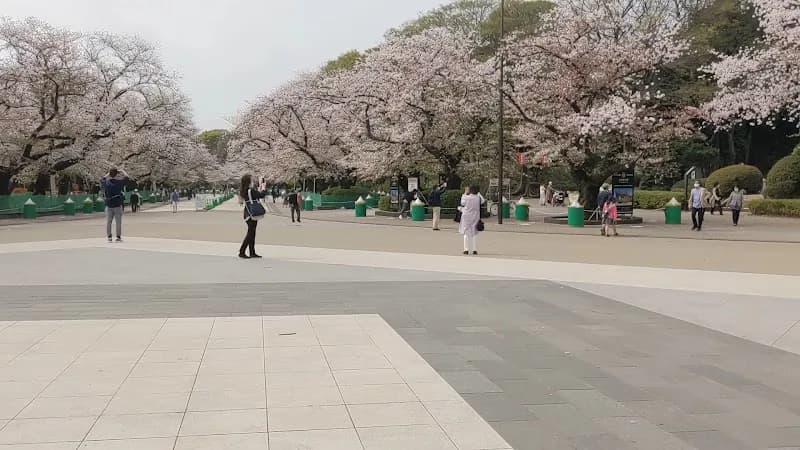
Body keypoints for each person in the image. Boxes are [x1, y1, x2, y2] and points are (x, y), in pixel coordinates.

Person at [238, 174, 267, 259]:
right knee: (251, 233)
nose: (253, 181)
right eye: (251, 180)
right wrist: (263, 187)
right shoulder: (250, 190)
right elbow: (261, 195)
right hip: (252, 213)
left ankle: (252, 252)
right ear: (248, 181)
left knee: (252, 233)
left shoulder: (244, 190)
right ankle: (242, 251)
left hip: (248, 213)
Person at [101, 168, 129, 242]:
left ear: (110, 174)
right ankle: (118, 237)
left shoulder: (107, 183)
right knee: (118, 222)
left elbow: (103, 178)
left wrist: (108, 174)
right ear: (117, 174)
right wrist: (122, 171)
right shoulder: (119, 183)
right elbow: (127, 177)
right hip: (117, 204)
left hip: (109, 204)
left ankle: (109, 237)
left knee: (108, 222)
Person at [460, 185, 482, 255]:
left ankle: (466, 249)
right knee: (474, 233)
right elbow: (483, 201)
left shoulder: (466, 197)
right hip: (475, 216)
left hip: (466, 216)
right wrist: (479, 194)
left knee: (466, 233)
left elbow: (462, 203)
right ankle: (474, 249)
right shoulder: (478, 198)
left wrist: (464, 193)